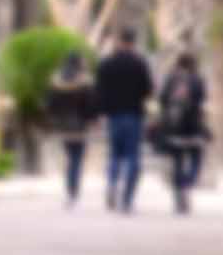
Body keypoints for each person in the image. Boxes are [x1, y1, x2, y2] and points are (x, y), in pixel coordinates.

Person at [91, 25, 153, 212]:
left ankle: (112, 183)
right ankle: (127, 197)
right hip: (133, 114)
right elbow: (148, 90)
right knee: (133, 156)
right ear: (133, 42)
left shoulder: (107, 64)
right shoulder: (140, 64)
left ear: (119, 41)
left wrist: (98, 114)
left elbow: (99, 91)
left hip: (113, 116)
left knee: (114, 154)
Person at [156, 43, 211, 213]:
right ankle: (187, 183)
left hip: (174, 127)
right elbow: (202, 100)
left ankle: (178, 192)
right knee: (196, 158)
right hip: (193, 126)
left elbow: (162, 99)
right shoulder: (197, 79)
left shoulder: (170, 79)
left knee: (177, 161)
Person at [45, 51, 98, 203]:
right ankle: (73, 187)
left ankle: (70, 186)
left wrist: (53, 119)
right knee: (77, 156)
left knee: (69, 155)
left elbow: (50, 104)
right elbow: (91, 103)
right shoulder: (84, 81)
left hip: (62, 125)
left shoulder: (56, 80)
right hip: (80, 125)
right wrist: (93, 119)